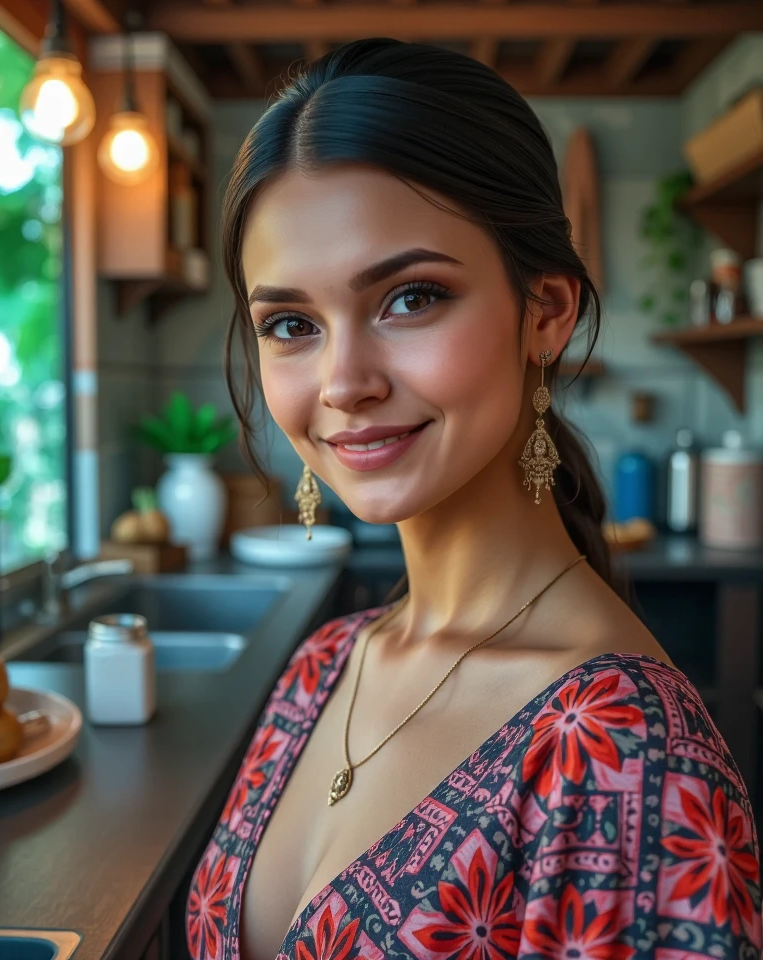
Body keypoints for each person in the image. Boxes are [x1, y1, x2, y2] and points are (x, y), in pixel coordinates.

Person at [186, 38, 761, 960]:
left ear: (546, 312)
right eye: (290, 324)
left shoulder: (622, 754)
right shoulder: (325, 664)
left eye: (410, 299)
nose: (343, 382)